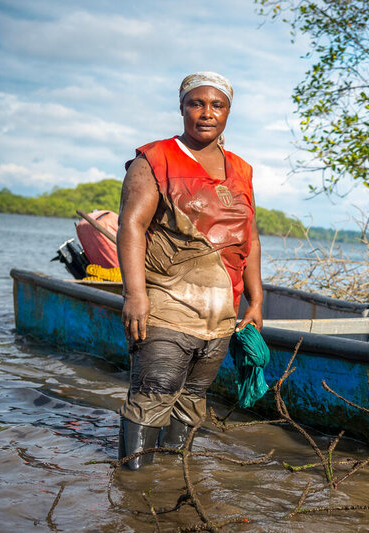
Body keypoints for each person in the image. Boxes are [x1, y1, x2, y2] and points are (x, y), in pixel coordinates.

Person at [116, 72, 264, 470]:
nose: (206, 113)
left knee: (193, 397)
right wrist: (135, 294)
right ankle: (133, 484)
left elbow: (249, 236)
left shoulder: (242, 170)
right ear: (182, 108)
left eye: (217, 105)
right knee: (154, 390)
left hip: (221, 309)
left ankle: (170, 482)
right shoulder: (156, 158)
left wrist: (256, 300)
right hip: (166, 298)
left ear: (229, 112)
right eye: (196, 104)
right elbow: (131, 225)